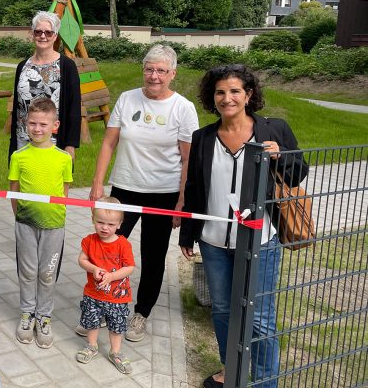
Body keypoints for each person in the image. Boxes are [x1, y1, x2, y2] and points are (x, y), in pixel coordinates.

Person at [179, 64, 307, 388]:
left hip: (260, 242)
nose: (227, 98)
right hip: (214, 242)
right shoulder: (203, 137)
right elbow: (194, 187)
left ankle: (265, 382)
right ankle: (231, 368)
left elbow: (298, 173)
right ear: (213, 98)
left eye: (235, 91)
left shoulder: (273, 129)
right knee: (222, 310)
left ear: (248, 95)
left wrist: (281, 157)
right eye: (220, 92)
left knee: (261, 319)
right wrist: (188, 233)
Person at [88, 44, 199, 342]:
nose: (154, 76)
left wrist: (181, 199)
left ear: (172, 74)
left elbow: (189, 158)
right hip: (124, 188)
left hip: (163, 193)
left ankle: (141, 313)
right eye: (149, 69)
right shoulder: (127, 99)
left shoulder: (183, 108)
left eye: (161, 70)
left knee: (153, 255)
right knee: (107, 249)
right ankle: (102, 306)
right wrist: (98, 184)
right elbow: (109, 143)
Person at [8, 97, 73, 348]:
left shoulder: (63, 158)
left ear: (54, 125)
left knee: (47, 273)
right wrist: (20, 216)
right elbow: (13, 190)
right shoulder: (19, 156)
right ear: (25, 123)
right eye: (32, 123)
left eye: (43, 124)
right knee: (27, 271)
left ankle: (44, 316)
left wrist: (55, 215)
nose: (37, 129)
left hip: (54, 225)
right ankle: (27, 314)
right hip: (25, 223)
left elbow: (65, 192)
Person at [8, 11, 81, 161]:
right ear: (32, 34)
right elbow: (18, 106)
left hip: (53, 142)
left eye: (48, 32)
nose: (43, 36)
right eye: (38, 32)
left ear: (55, 35)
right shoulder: (22, 66)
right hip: (23, 140)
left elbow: (74, 106)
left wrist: (70, 144)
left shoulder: (67, 66)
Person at [76, 197, 135, 374]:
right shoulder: (89, 241)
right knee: (91, 322)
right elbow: (82, 259)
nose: (104, 227)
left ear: (119, 224)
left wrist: (111, 276)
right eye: (100, 222)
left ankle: (115, 352)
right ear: (93, 219)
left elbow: (130, 267)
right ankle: (91, 345)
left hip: (117, 297)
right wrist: (93, 268)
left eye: (110, 224)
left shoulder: (123, 244)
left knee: (116, 326)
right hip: (93, 294)